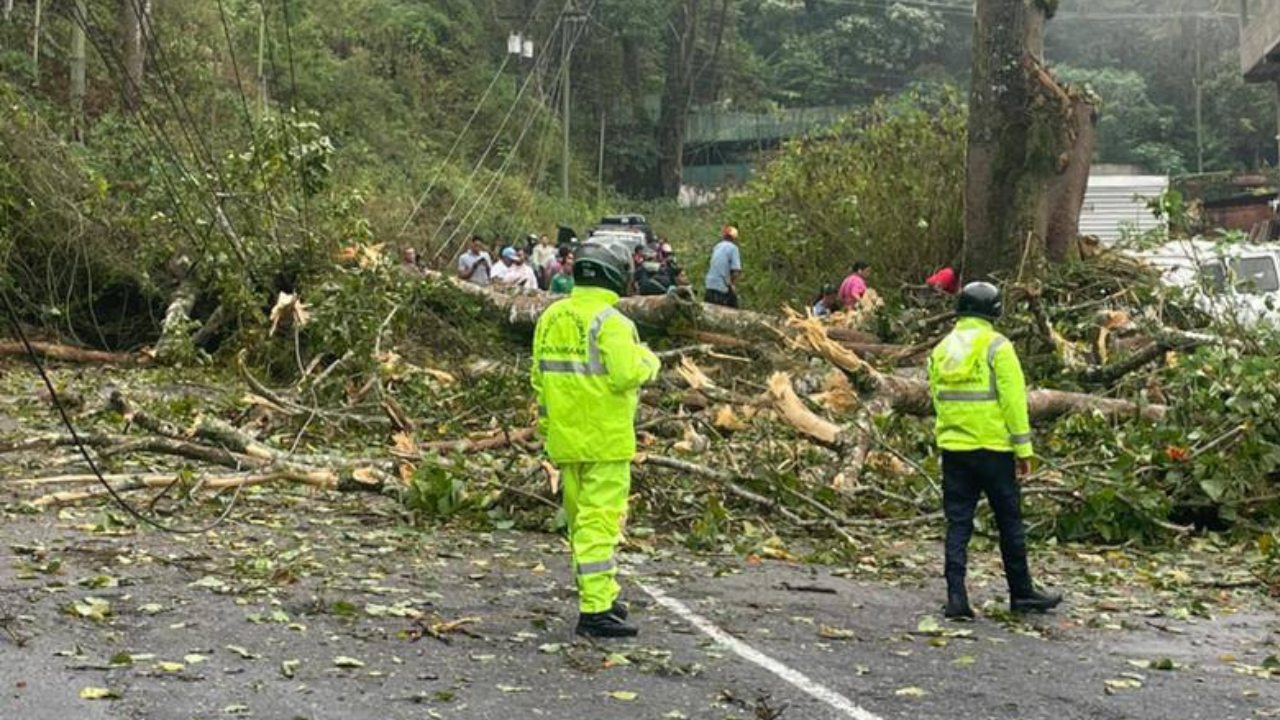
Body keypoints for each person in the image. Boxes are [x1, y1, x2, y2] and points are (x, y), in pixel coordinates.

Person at [531, 241, 661, 638]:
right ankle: (595, 610)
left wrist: (548, 428)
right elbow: (625, 374)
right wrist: (649, 361)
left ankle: (601, 592)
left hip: (565, 440)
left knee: (579, 523)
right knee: (599, 524)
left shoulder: (551, 317)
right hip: (605, 442)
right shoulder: (613, 323)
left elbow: (539, 378)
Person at [928, 282, 1063, 620]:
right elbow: (1014, 402)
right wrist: (1023, 449)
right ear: (995, 311)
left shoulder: (942, 349)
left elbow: (936, 399)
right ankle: (1021, 592)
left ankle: (956, 596)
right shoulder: (997, 347)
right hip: (995, 449)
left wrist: (948, 435)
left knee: (957, 523)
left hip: (955, 449)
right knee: (1009, 523)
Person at [704, 225, 742, 307]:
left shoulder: (717, 246)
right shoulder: (733, 248)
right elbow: (735, 271)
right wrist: (732, 285)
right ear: (734, 238)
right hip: (721, 286)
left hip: (709, 284)